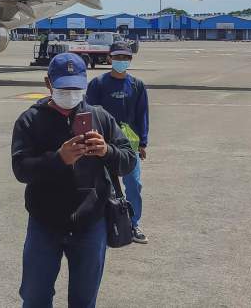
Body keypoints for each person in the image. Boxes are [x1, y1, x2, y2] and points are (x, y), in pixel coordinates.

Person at [12, 52, 136, 308]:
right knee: (35, 297)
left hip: (91, 223)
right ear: (48, 84)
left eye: (76, 88)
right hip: (45, 223)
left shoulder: (100, 118)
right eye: (63, 88)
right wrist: (58, 159)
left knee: (83, 300)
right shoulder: (30, 120)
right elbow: (21, 169)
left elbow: (129, 160)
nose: (71, 93)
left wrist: (107, 151)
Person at [86, 41, 149, 244]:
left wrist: (143, 143)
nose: (121, 61)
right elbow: (89, 112)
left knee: (134, 184)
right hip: (103, 141)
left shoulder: (137, 85)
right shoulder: (98, 84)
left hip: (129, 142)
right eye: (118, 57)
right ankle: (103, 222)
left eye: (125, 57)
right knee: (103, 184)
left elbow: (142, 115)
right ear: (109, 58)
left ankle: (133, 223)